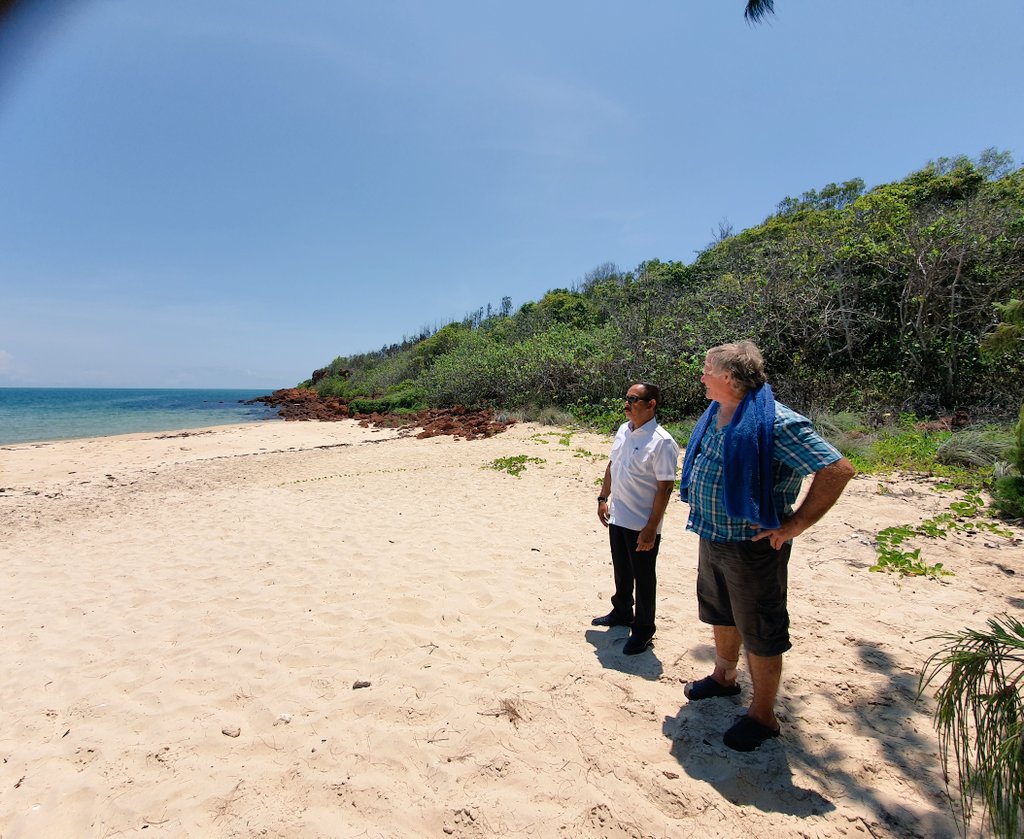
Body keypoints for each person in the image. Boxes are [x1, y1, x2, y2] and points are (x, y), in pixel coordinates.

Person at [679, 341, 854, 751]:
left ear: (726, 376)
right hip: (712, 532)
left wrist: (796, 523)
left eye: (706, 369)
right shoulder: (717, 411)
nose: (701, 376)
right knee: (720, 613)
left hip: (752, 546)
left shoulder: (776, 422)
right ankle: (724, 678)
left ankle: (763, 715)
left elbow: (837, 468)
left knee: (760, 629)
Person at [593, 382, 680, 655]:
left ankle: (643, 630)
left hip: (642, 523)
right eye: (626, 398)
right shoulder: (623, 430)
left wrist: (651, 528)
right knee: (622, 571)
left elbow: (665, 487)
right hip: (618, 515)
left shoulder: (662, 441)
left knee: (644, 578)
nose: (626, 404)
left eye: (633, 399)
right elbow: (612, 464)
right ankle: (621, 612)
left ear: (651, 403)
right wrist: (602, 498)